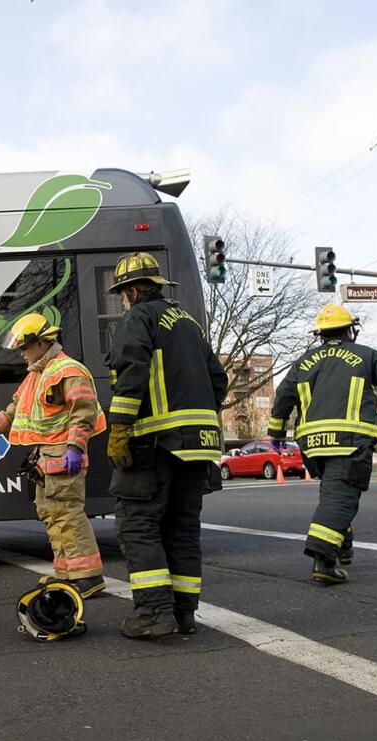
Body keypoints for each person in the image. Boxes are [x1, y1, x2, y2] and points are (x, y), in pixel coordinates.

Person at [105, 253, 227, 639]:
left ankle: (154, 613)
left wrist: (120, 428)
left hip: (155, 443)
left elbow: (131, 373)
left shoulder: (138, 319)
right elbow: (218, 381)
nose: (123, 300)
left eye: (124, 293)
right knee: (182, 530)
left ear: (135, 290)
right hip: (200, 445)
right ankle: (184, 613)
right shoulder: (188, 323)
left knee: (139, 527)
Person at [267, 304, 377, 585]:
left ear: (320, 334)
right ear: (350, 330)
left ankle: (342, 543)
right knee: (341, 497)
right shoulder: (367, 356)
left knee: (334, 494)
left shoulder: (303, 362)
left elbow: (283, 397)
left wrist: (276, 434)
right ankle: (323, 560)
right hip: (350, 441)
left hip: (312, 444)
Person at [0, 312, 108, 599]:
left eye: (24, 348)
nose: (22, 354)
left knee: (67, 515)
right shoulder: (38, 374)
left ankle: (88, 577)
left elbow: (84, 411)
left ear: (41, 342)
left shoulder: (67, 370)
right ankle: (67, 575)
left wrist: (75, 448)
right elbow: (16, 407)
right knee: (52, 514)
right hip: (46, 458)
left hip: (63, 456)